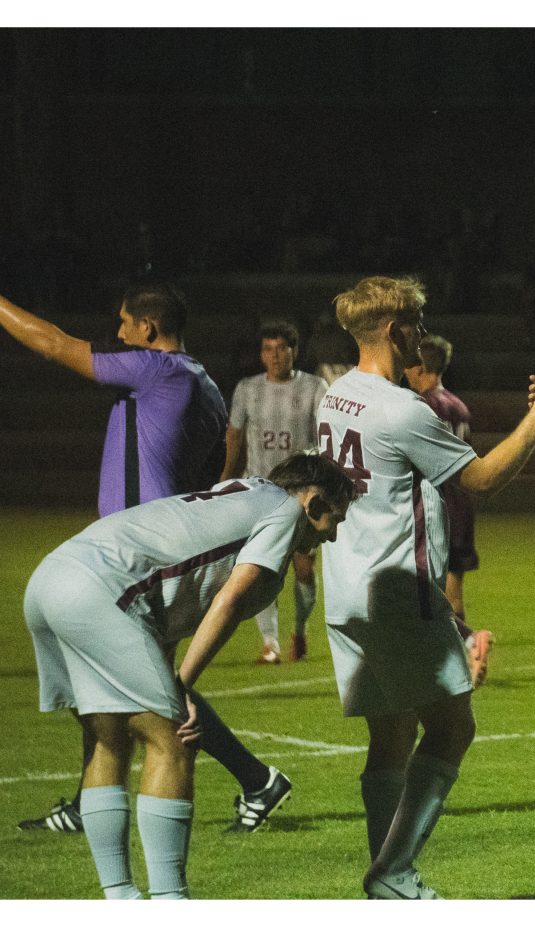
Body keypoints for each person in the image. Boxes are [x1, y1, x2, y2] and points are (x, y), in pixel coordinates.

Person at [317, 275, 535, 899]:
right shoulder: (401, 409)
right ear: (393, 330)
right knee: (452, 727)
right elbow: (483, 478)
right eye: (415, 321)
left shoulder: (335, 396)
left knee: (390, 733)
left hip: (348, 589)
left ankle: (386, 884)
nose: (423, 333)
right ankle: (395, 871)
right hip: (399, 594)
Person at [1, 282, 293, 836]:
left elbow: (54, 345)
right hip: (160, 553)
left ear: (148, 330)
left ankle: (253, 780)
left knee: (145, 692)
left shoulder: (158, 371)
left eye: (124, 324)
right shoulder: (205, 386)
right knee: (130, 682)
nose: (118, 335)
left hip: (134, 559)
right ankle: (101, 800)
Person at [24, 454, 354, 898]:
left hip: (52, 579)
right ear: (312, 503)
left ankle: (120, 898)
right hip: (100, 593)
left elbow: (163, 608)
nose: (332, 535)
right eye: (335, 518)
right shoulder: (285, 511)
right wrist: (180, 686)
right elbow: (230, 602)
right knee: (174, 740)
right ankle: (169, 902)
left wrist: (172, 679)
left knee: (109, 740)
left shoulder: (245, 493)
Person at [222, 320, 329, 664]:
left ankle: (299, 628)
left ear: (294, 351)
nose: (275, 356)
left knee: (303, 570)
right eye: (269, 349)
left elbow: (326, 436)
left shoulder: (315, 386)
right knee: (260, 566)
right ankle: (270, 644)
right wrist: (226, 478)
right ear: (261, 354)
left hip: (301, 493)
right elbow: (235, 436)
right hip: (260, 491)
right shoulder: (247, 389)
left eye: (282, 348)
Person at [403, 333, 495, 686]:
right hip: (462, 503)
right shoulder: (458, 405)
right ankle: (464, 657)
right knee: (453, 588)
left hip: (435, 504)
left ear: (422, 366)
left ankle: (466, 643)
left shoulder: (422, 406)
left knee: (425, 589)